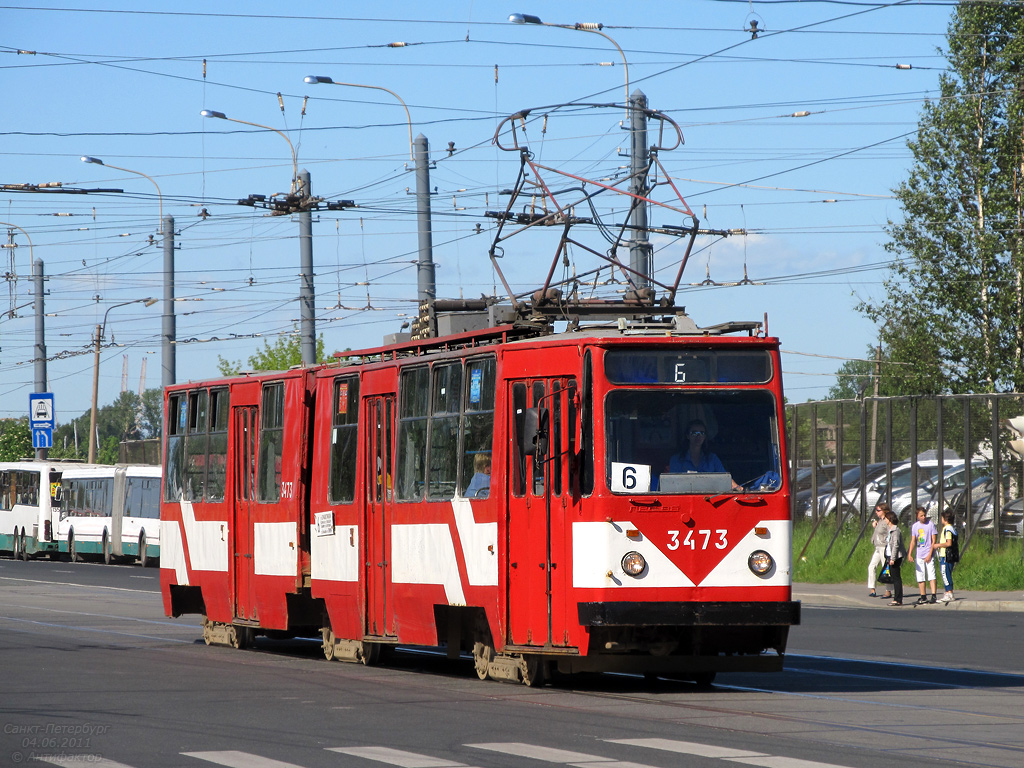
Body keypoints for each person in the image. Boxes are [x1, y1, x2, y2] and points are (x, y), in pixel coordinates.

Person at [669, 419, 741, 490]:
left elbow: (726, 479)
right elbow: (672, 485)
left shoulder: (712, 458)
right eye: (694, 433)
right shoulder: (676, 459)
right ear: (687, 435)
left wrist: (738, 488)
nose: (698, 436)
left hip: (709, 499)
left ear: (705, 437)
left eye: (702, 433)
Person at [908, 506, 938, 604]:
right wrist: (910, 554)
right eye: (921, 516)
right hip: (919, 553)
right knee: (920, 576)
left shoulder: (931, 525)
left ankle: (933, 595)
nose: (923, 517)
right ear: (917, 516)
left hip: (928, 553)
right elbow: (913, 541)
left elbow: (934, 541)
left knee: (931, 574)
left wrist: (930, 554)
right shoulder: (915, 526)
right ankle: (923, 595)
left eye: (924, 515)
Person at [868, 503, 892, 599]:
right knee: (871, 566)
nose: (876, 512)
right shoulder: (880, 520)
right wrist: (875, 526)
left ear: (884, 511)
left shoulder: (887, 521)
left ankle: (888, 590)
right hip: (877, 547)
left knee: (885, 568)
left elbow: (890, 532)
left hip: (884, 547)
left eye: (878, 510)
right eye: (876, 510)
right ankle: (872, 588)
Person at [883, 508, 906, 606]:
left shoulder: (895, 530)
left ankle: (898, 599)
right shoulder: (890, 530)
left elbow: (896, 545)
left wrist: (893, 558)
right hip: (890, 556)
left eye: (886, 518)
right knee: (894, 577)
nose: (885, 520)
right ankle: (897, 598)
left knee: (896, 578)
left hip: (895, 557)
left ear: (890, 519)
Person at [936, 509, 958, 603]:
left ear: (945, 519)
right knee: (947, 573)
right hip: (950, 555)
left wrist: (938, 545)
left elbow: (948, 543)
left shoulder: (948, 529)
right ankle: (949, 592)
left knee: (945, 574)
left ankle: (948, 592)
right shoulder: (952, 528)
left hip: (946, 555)